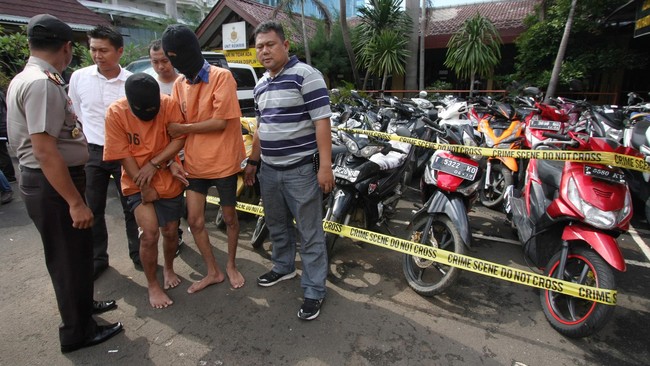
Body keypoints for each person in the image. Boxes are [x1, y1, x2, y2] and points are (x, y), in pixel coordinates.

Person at [6, 14, 122, 352]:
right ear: (68, 48)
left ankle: (84, 309)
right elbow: (45, 151)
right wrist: (75, 201)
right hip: (51, 183)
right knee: (68, 260)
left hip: (51, 180)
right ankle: (78, 332)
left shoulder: (31, 77)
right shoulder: (42, 83)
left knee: (78, 253)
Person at [244, 20, 334, 321]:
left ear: (285, 45)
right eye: (259, 47)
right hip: (269, 170)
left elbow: (322, 122)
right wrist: (253, 162)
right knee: (276, 223)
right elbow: (261, 128)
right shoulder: (260, 84)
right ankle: (283, 267)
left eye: (270, 44)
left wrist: (325, 168)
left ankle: (313, 289)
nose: (264, 51)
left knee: (309, 233)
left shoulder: (306, 76)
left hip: (301, 171)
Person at [161, 24, 247, 291]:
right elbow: (175, 123)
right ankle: (213, 271)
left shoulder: (222, 77)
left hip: (223, 163)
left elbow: (220, 122)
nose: (175, 65)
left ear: (190, 53)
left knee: (230, 218)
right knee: (195, 220)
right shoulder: (179, 83)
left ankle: (231, 264)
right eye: (169, 58)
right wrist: (171, 159)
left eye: (176, 58)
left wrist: (184, 129)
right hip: (195, 164)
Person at [104, 73, 187, 308]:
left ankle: (169, 269)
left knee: (171, 231)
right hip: (136, 181)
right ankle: (153, 284)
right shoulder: (116, 113)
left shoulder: (168, 104)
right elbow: (123, 155)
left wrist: (156, 163)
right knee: (149, 235)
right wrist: (146, 186)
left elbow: (178, 139)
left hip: (167, 175)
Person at [68, 25, 141, 276]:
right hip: (93, 152)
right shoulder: (79, 78)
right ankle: (98, 258)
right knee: (93, 208)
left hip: (126, 154)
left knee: (132, 206)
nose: (97, 55)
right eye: (93, 49)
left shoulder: (132, 81)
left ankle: (139, 253)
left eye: (104, 50)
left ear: (119, 51)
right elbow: (76, 111)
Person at [148, 39, 185, 249]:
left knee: (181, 195)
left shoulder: (185, 82)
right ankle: (174, 234)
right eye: (155, 62)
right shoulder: (149, 86)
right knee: (168, 196)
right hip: (162, 152)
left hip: (186, 149)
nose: (161, 66)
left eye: (164, 60)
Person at [0, 90, 17, 183]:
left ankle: (9, 176)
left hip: (1, 128)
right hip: (4, 126)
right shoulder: (1, 93)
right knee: (3, 153)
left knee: (2, 154)